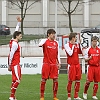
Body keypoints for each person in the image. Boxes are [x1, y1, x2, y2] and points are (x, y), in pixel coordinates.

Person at [39, 29, 61, 100]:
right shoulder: (45, 41)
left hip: (54, 64)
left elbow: (58, 54)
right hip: (46, 64)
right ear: (48, 34)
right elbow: (39, 44)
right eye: (52, 34)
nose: (54, 35)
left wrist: (59, 62)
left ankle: (55, 96)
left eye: (54, 34)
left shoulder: (56, 43)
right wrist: (43, 41)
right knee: (43, 80)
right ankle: (42, 96)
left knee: (55, 80)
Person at [64, 33, 83, 100]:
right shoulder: (67, 45)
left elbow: (81, 52)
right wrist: (73, 46)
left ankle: (76, 96)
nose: (76, 39)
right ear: (72, 38)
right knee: (70, 81)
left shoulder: (77, 45)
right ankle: (69, 96)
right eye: (75, 37)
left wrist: (80, 44)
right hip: (71, 65)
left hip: (77, 65)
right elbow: (70, 53)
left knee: (78, 80)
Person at [8, 16, 22, 100]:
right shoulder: (15, 44)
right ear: (17, 36)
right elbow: (11, 54)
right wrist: (9, 64)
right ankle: (11, 96)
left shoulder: (12, 40)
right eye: (20, 35)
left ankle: (13, 96)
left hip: (14, 64)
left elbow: (16, 31)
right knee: (17, 80)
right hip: (15, 64)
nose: (21, 36)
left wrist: (19, 22)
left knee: (14, 81)